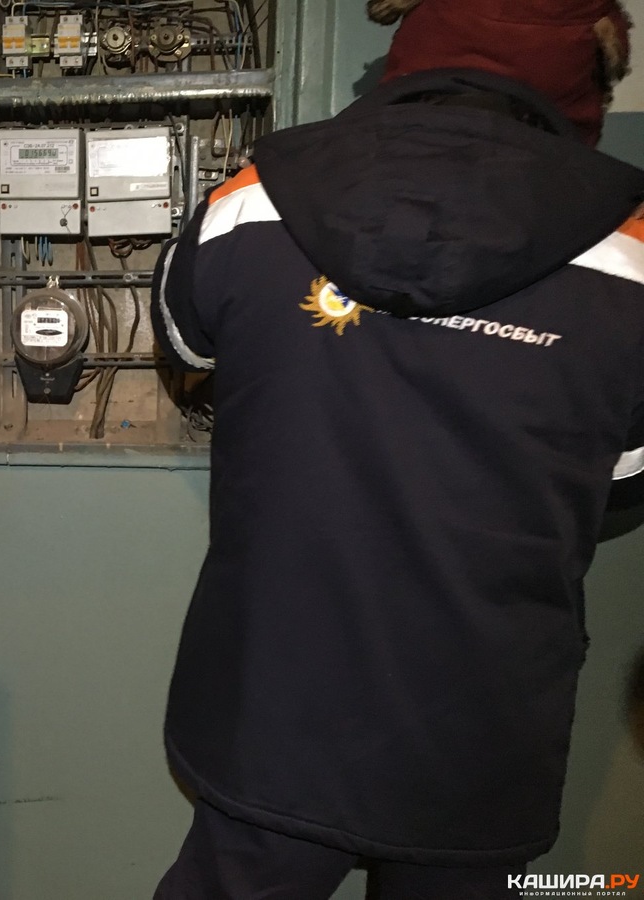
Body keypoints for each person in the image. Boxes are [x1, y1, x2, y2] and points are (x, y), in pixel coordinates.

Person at [151, 0, 644, 896]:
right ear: (588, 77)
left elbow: (186, 344)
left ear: (414, 43)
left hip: (270, 708)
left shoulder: (247, 204)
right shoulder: (632, 257)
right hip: (479, 728)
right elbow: (617, 482)